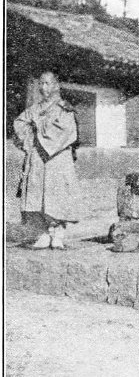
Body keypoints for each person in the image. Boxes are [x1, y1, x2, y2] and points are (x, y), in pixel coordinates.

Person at [13, 72, 80, 249]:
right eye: (41, 83)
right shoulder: (34, 108)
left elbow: (66, 131)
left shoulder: (64, 109)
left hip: (57, 158)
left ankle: (57, 234)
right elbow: (20, 123)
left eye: (48, 83)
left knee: (57, 194)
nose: (44, 87)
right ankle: (42, 233)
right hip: (37, 157)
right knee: (36, 194)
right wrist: (30, 135)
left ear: (56, 85)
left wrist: (39, 129)